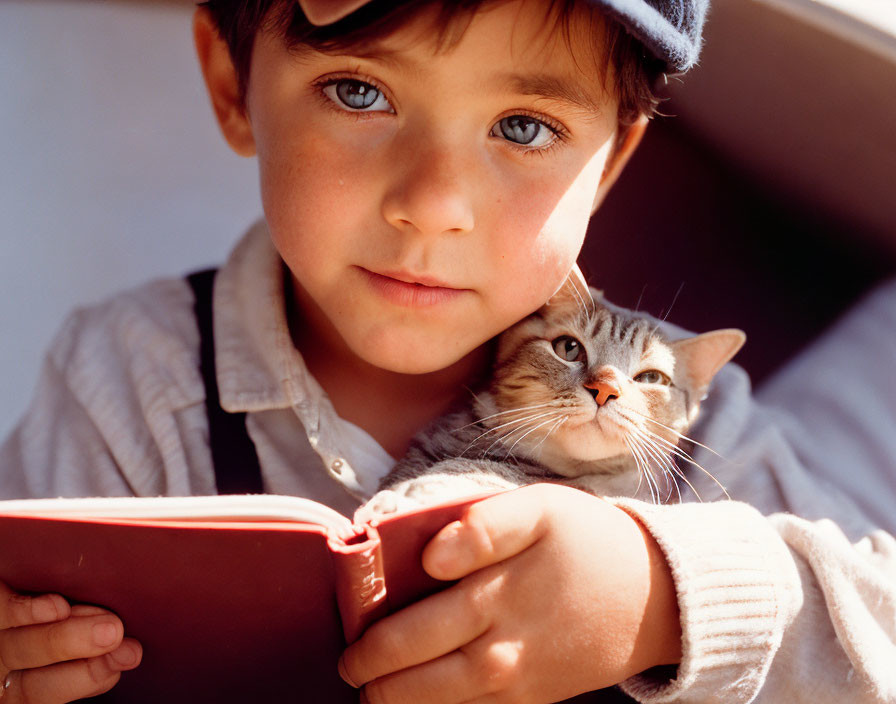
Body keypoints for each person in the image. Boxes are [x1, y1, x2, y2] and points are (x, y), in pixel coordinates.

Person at [1, 0, 894, 702]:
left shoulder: (689, 435)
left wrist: (658, 602)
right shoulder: (127, 378)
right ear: (234, 85)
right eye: (360, 92)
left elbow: (878, 631)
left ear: (611, 161)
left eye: (524, 126)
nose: (435, 204)